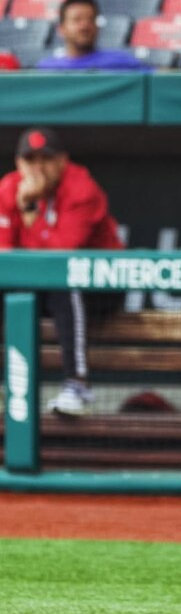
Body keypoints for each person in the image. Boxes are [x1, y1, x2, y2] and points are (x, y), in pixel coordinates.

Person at [0, 127, 123, 416]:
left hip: (99, 286)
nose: (38, 168)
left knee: (64, 284)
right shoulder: (8, 188)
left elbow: (60, 256)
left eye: (46, 159)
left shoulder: (81, 188)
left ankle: (76, 386)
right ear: (18, 163)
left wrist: (29, 210)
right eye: (30, 160)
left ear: (62, 161)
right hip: (39, 284)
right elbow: (4, 254)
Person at [35, 0, 149, 71]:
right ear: (61, 29)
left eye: (91, 19)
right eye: (77, 20)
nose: (85, 26)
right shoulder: (48, 69)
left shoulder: (122, 63)